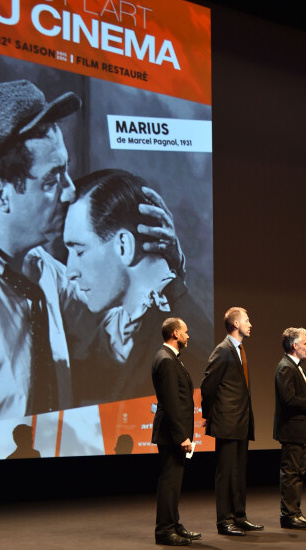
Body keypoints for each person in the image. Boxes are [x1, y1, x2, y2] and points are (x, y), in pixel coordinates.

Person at [0, 80, 183, 434]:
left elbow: (112, 340)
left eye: (66, 170)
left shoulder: (40, 268)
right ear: (0, 192)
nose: (70, 191)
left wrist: (164, 272)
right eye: (52, 179)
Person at [63, 169, 213, 404]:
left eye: (80, 251)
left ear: (124, 246)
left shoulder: (184, 349)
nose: (70, 270)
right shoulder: (134, 326)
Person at [201, 307, 263, 536]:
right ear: (235, 324)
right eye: (247, 320)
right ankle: (224, 520)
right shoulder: (223, 350)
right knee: (226, 472)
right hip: (227, 422)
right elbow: (208, 386)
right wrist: (208, 414)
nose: (250, 324)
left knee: (238, 472)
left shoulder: (239, 350)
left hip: (241, 421)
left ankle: (239, 516)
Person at [151, 318, 201, 546]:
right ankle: (164, 530)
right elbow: (171, 402)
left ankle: (173, 523)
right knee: (169, 482)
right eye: (185, 332)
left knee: (174, 481)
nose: (188, 336)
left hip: (173, 432)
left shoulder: (171, 358)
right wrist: (181, 436)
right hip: (172, 434)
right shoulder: (166, 360)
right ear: (175, 333)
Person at [273, 327, 306, 529]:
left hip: (300, 430)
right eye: (304, 343)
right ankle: (288, 515)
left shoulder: (296, 366)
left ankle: (295, 512)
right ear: (295, 346)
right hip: (292, 431)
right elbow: (288, 400)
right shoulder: (286, 367)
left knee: (298, 473)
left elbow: (298, 399)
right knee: (291, 473)